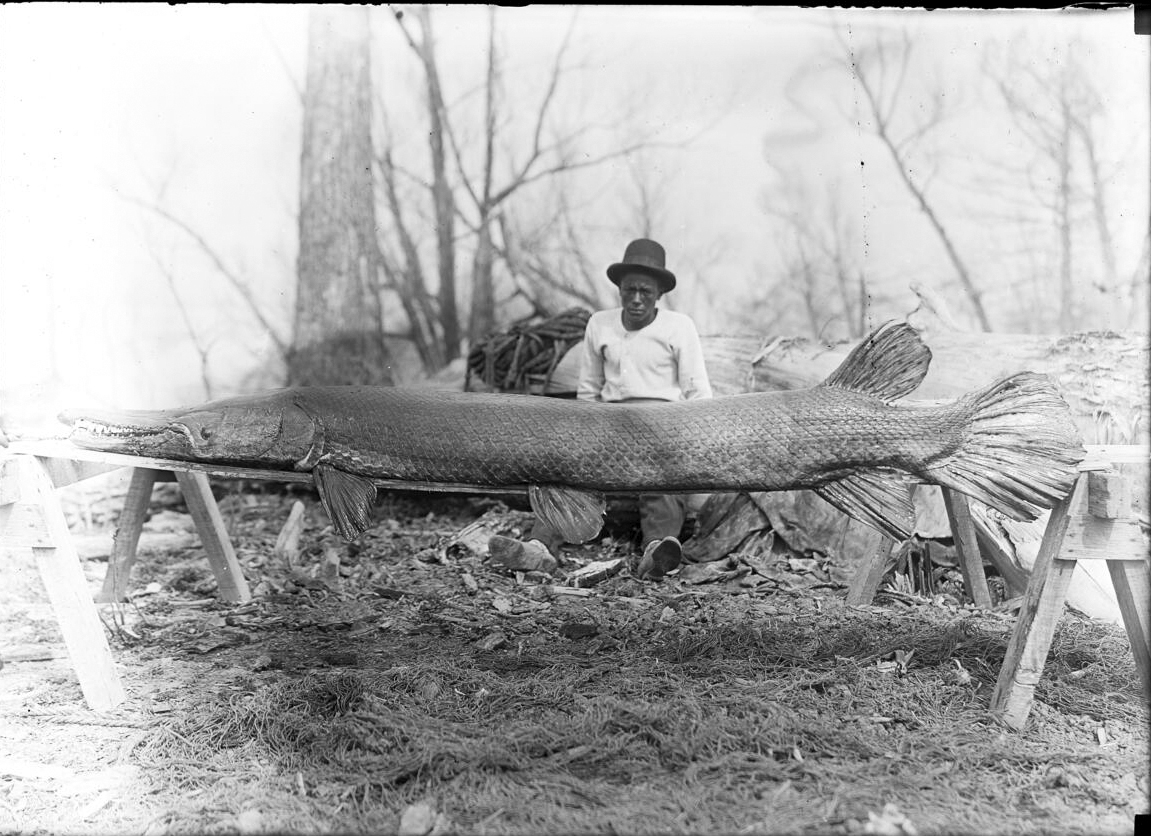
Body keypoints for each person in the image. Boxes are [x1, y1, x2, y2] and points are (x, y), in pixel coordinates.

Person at [502, 238, 713, 580]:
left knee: (662, 482)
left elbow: (698, 392)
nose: (636, 299)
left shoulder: (679, 326)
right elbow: (588, 390)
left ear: (659, 293)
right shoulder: (600, 324)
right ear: (619, 289)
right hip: (609, 422)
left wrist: (685, 441)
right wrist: (585, 437)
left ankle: (656, 553)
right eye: (629, 290)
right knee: (569, 475)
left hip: (662, 424)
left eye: (645, 291)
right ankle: (539, 549)